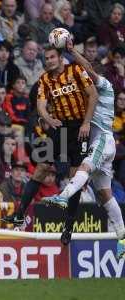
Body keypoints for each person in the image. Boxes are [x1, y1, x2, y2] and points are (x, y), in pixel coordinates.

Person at [2, 44, 98, 246]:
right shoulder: (45, 79)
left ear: (60, 58)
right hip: (60, 128)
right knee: (41, 168)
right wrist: (47, 117)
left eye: (52, 57)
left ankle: (69, 226)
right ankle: (20, 213)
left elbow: (93, 96)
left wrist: (87, 123)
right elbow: (40, 105)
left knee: (75, 180)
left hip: (80, 128)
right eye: (46, 58)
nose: (49, 61)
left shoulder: (76, 70)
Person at [41, 39, 125, 256]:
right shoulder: (88, 94)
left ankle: (63, 196)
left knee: (84, 167)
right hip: (105, 144)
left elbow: (86, 69)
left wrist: (71, 52)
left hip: (103, 141)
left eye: (87, 76)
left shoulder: (104, 86)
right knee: (105, 195)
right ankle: (123, 238)